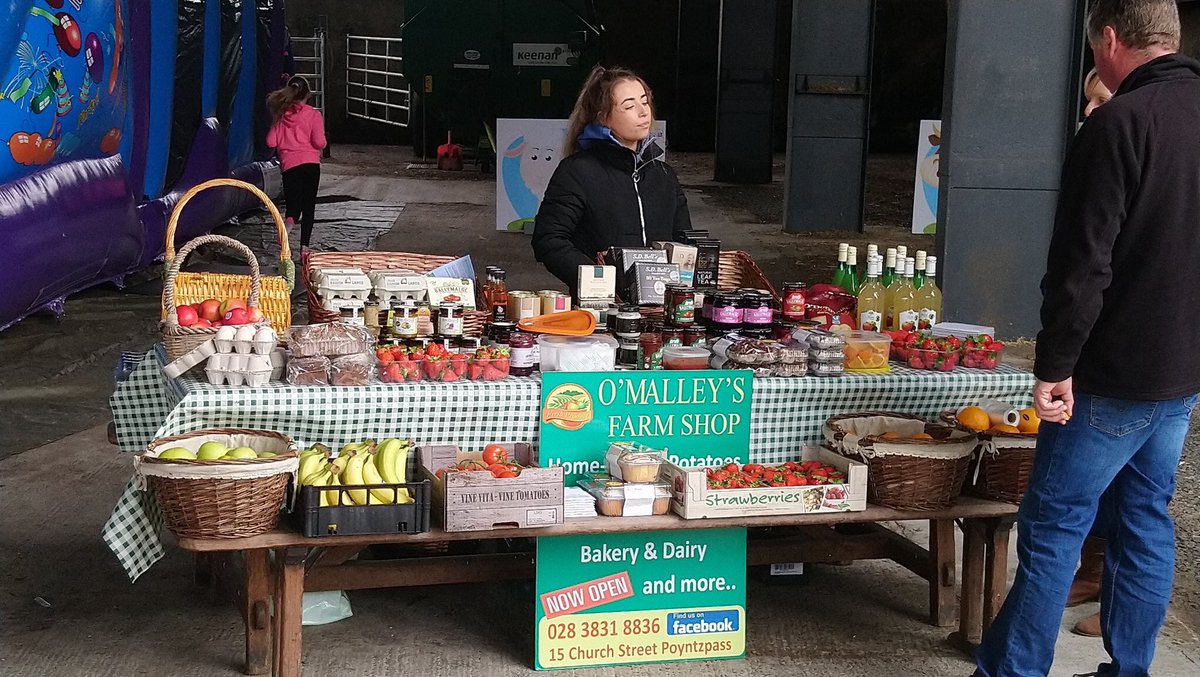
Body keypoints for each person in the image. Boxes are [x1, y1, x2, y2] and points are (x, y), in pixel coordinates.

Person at [973, 2, 1200, 676]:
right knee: (1145, 521)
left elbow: (1082, 266)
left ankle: (1011, 671)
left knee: (1053, 533)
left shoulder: (1118, 126)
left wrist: (1055, 365)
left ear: (1109, 38)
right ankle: (1129, 669)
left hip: (1109, 373)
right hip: (1181, 373)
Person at [532, 65, 691, 293]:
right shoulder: (577, 171)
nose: (643, 112)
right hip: (601, 311)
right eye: (629, 106)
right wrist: (599, 280)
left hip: (662, 312)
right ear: (603, 118)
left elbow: (685, 242)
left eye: (644, 102)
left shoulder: (664, 175)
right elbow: (548, 240)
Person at [1063, 66, 1115, 642]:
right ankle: (1096, 571)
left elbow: (1087, 264)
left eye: (1099, 99)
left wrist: (1058, 361)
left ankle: (1110, 583)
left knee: (1068, 500)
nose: (1087, 112)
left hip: (1126, 356)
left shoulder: (1130, 141)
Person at [266, 75, 326, 254]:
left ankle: (288, 226)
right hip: (310, 165)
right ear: (308, 95)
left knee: (293, 205)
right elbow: (319, 142)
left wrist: (277, 124)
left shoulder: (282, 116)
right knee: (309, 206)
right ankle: (305, 248)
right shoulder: (314, 115)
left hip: (289, 166)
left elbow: (270, 142)